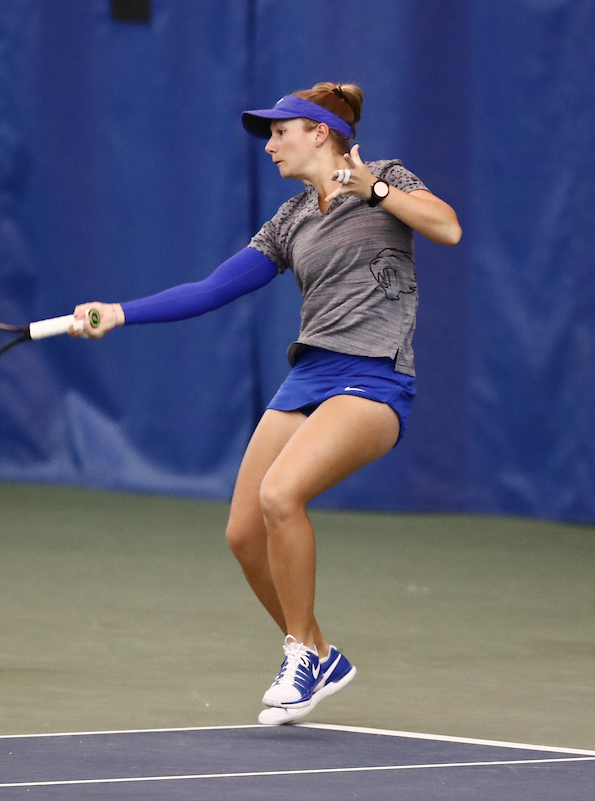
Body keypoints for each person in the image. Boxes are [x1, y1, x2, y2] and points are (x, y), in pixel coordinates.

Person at [69, 82, 461, 725]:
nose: (271, 144)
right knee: (245, 532)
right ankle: (320, 651)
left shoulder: (385, 176)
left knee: (282, 495)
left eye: (281, 131)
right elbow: (210, 290)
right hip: (310, 375)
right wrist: (118, 313)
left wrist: (377, 192)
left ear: (320, 133)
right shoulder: (291, 218)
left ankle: (300, 654)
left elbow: (447, 227)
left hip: (374, 377)